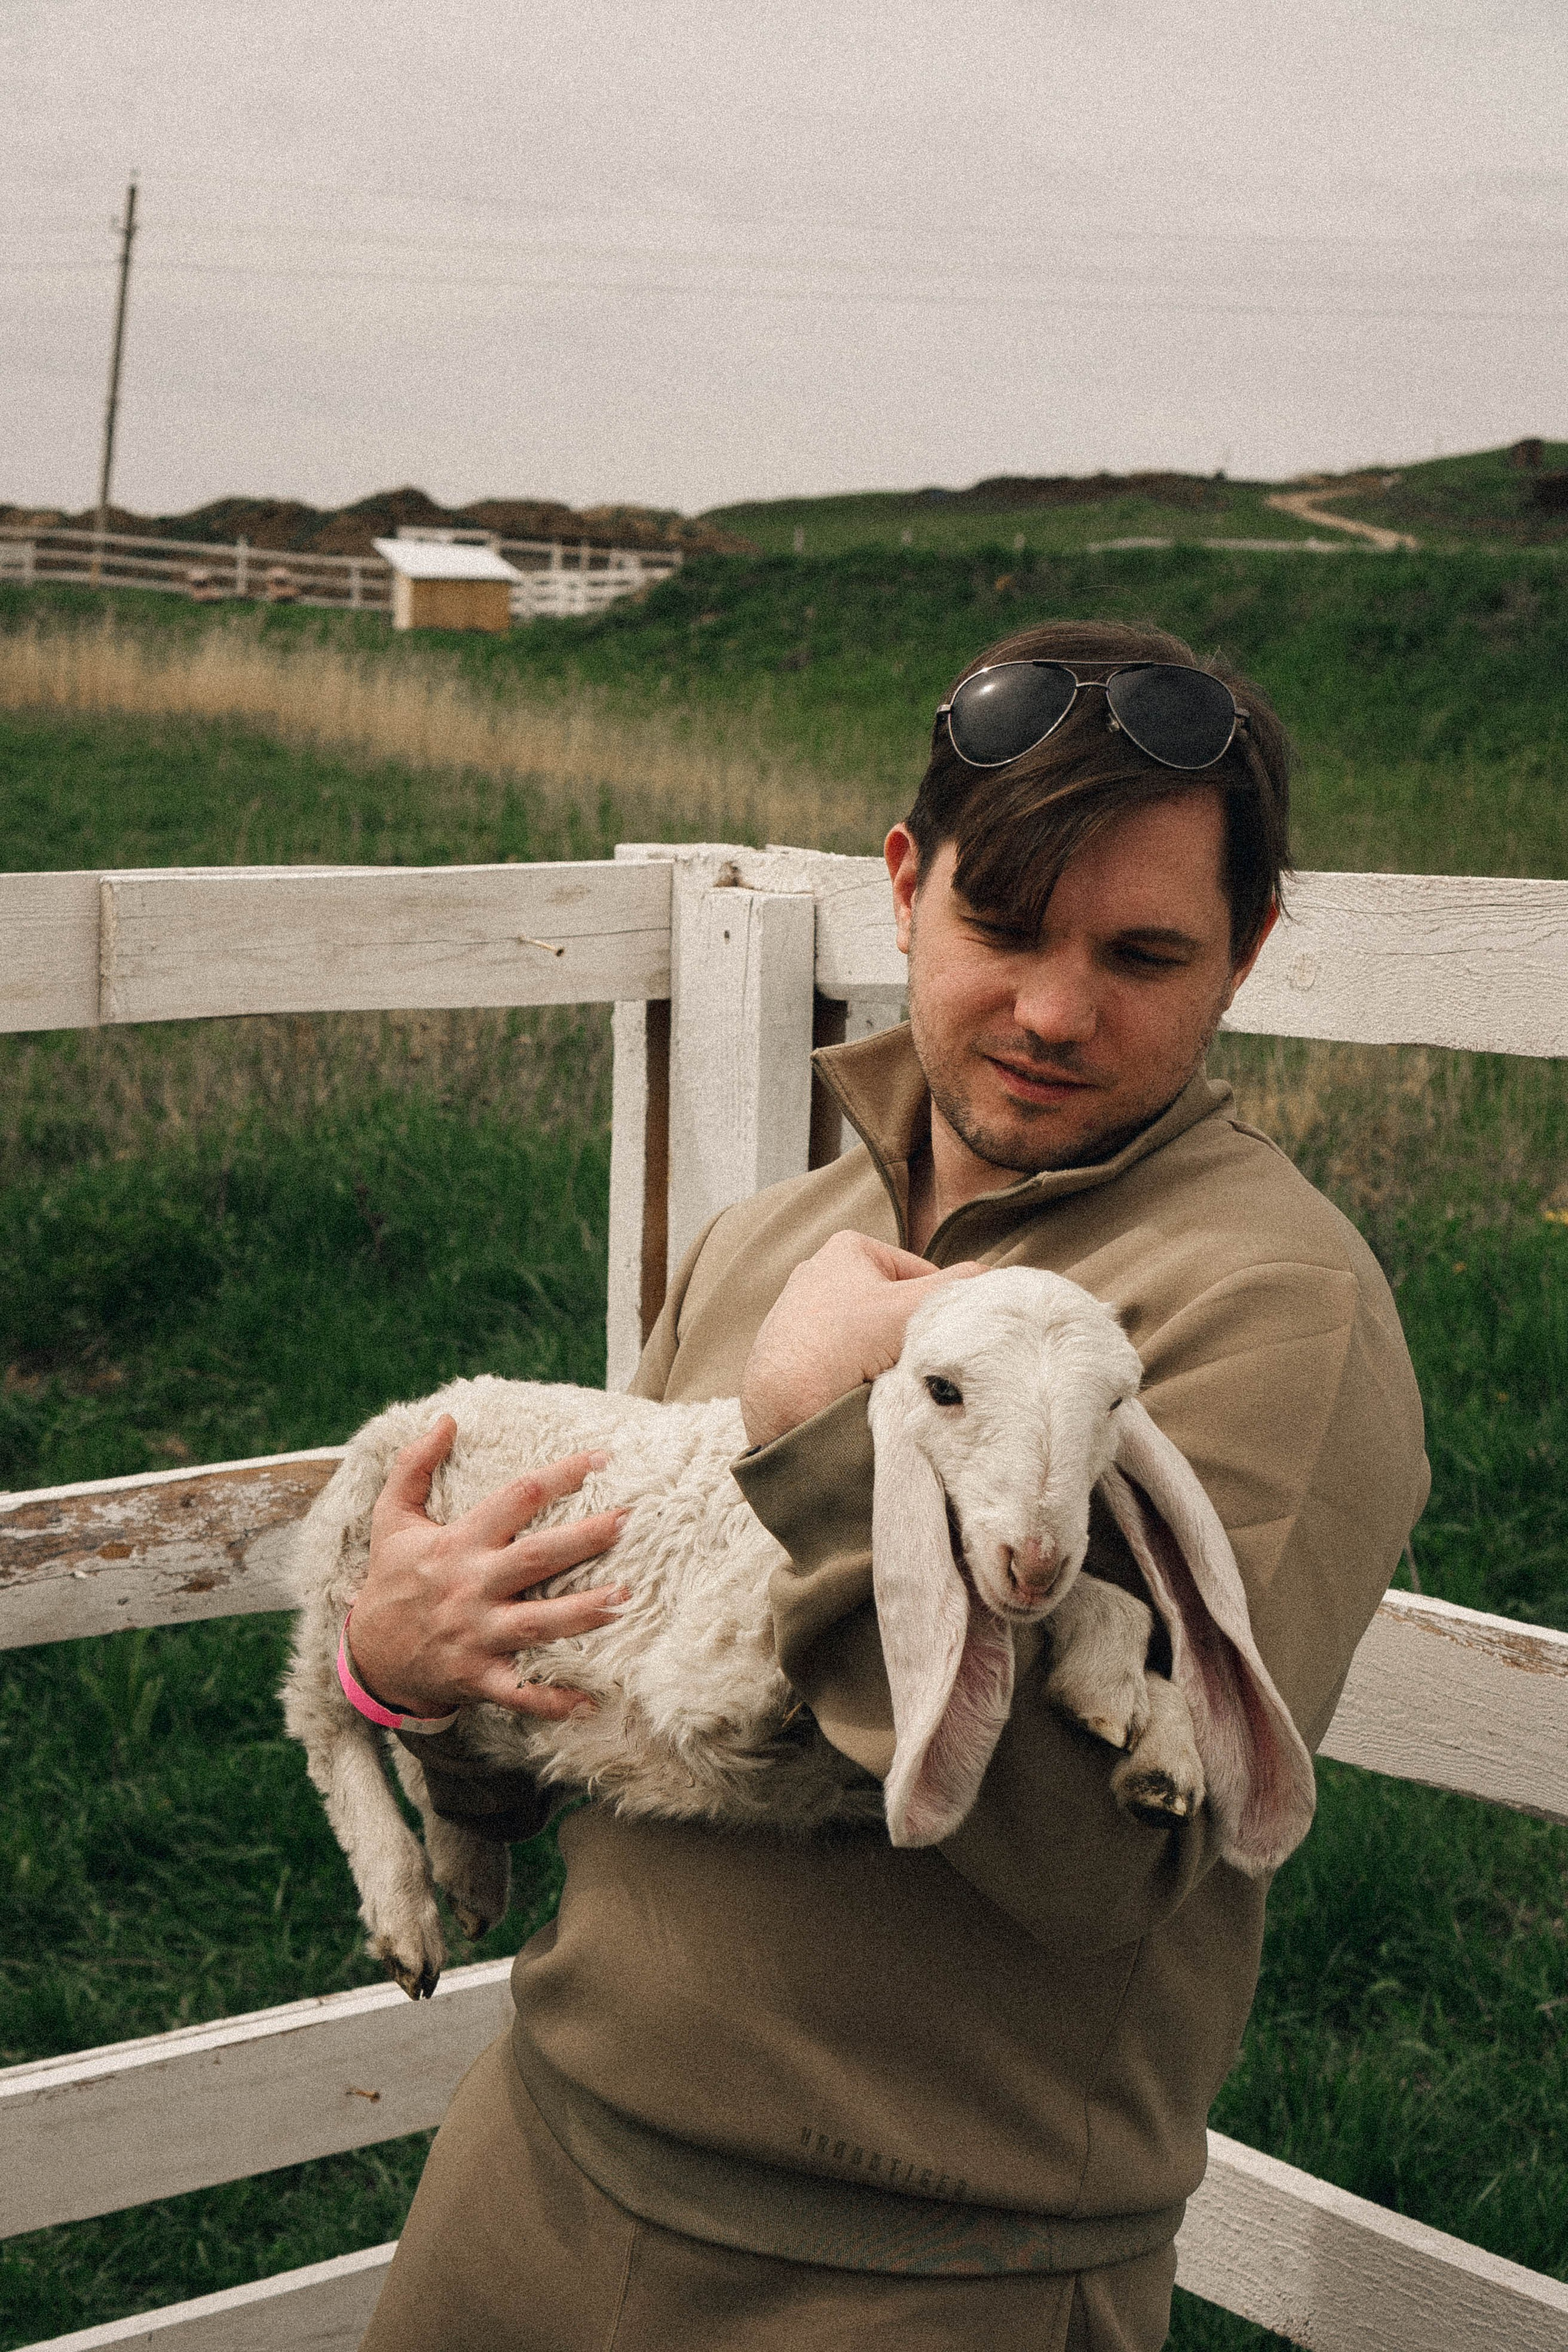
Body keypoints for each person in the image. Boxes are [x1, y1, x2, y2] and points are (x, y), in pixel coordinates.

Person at [352, 618, 1428, 2352]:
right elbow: (597, 1712)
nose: (1055, 1012)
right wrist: (411, 1680)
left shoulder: (1264, 1308)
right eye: (1002, 925)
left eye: (1145, 952)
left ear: (1248, 954)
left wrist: (822, 1437)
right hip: (531, 2170)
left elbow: (1107, 1865)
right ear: (908, 890)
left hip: (918, 2277)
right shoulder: (771, 1240)